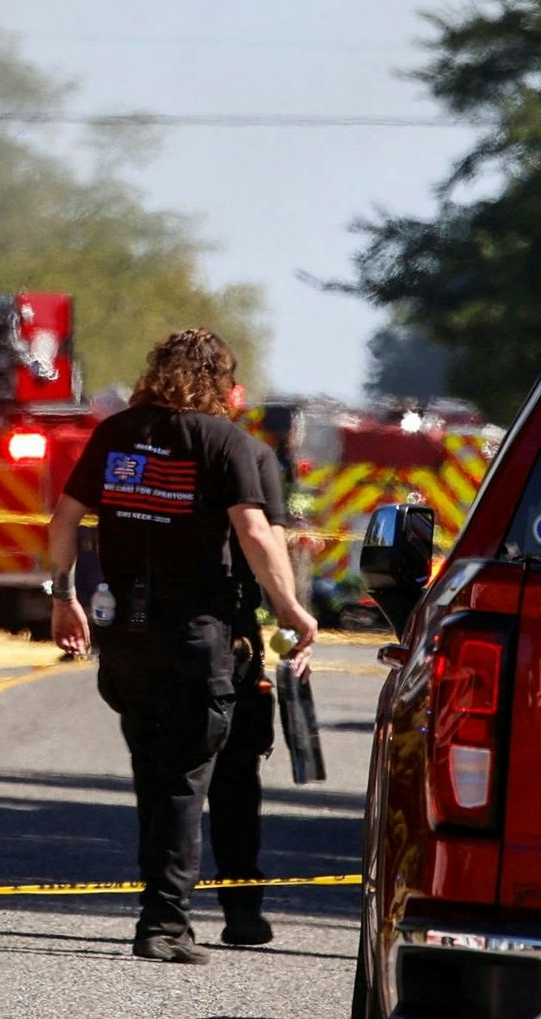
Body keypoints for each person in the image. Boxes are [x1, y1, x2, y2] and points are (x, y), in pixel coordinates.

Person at [43, 326, 318, 966]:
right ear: (223, 384)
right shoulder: (230, 443)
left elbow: (63, 519)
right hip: (203, 636)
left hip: (128, 634)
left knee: (157, 772)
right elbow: (256, 532)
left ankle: (179, 912)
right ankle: (168, 923)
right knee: (194, 778)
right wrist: (292, 612)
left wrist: (63, 596)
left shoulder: (116, 435)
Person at [206, 389, 302, 947]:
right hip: (230, 641)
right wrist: (291, 631)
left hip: (150, 637)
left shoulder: (143, 452)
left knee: (167, 782)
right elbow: (272, 549)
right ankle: (241, 910)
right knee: (235, 781)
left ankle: (161, 914)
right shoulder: (251, 455)